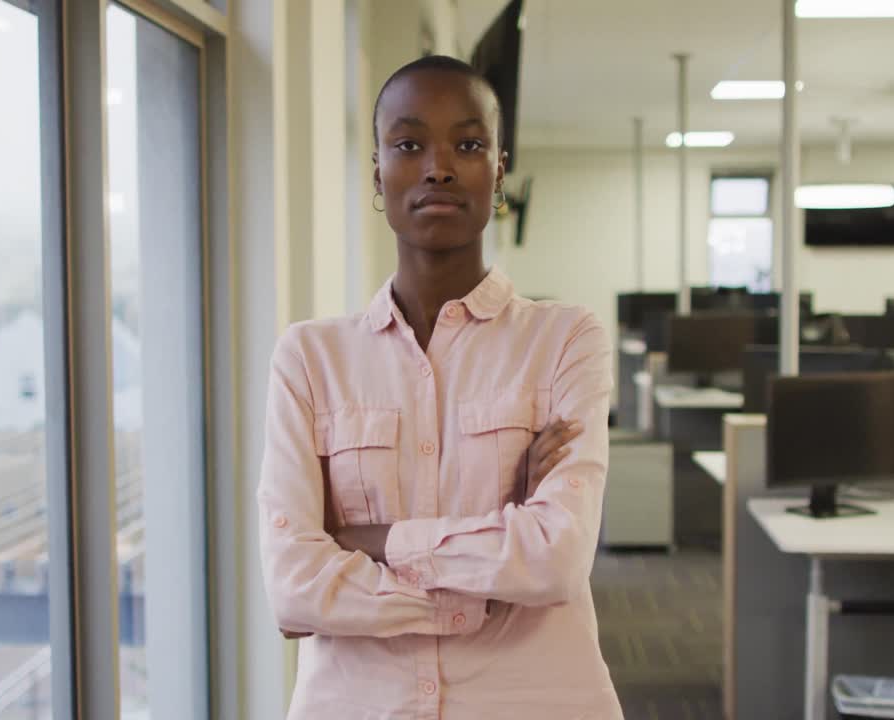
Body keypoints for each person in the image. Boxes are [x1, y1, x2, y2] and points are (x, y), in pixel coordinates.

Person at [258, 55, 623, 720]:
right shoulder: (310, 358)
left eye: (469, 143)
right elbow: (293, 586)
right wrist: (484, 581)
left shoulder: (565, 340)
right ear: (378, 171)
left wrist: (370, 540)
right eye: (408, 144)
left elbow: (557, 563)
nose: (439, 166)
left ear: (499, 171)